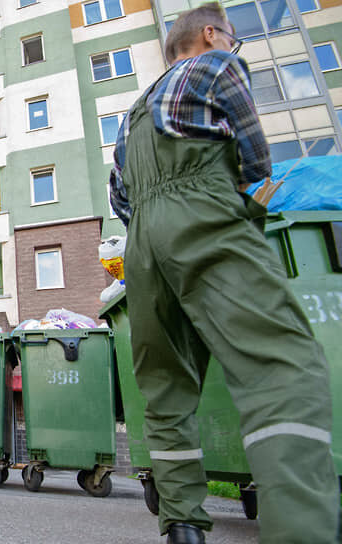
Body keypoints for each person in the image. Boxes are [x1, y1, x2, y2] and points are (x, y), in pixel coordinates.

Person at [109, 3, 339, 543]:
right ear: (211, 34)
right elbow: (253, 149)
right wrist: (243, 193)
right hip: (203, 215)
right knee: (282, 364)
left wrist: (152, 224)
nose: (233, 46)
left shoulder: (133, 112)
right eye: (231, 37)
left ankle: (182, 524)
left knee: (166, 390)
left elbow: (119, 194)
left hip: (143, 244)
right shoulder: (216, 65)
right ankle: (302, 529)